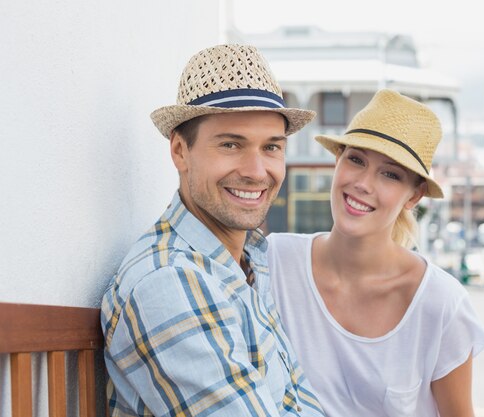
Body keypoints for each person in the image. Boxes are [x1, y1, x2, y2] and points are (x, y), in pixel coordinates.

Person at [101, 44, 325, 417]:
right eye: (231, 144)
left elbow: (300, 402)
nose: (256, 171)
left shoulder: (244, 260)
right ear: (180, 151)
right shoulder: (169, 281)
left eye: (271, 147)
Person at [267, 89, 484, 417]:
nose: (363, 184)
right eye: (356, 160)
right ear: (337, 161)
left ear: (413, 196)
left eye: (390, 174)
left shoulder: (440, 304)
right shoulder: (274, 262)